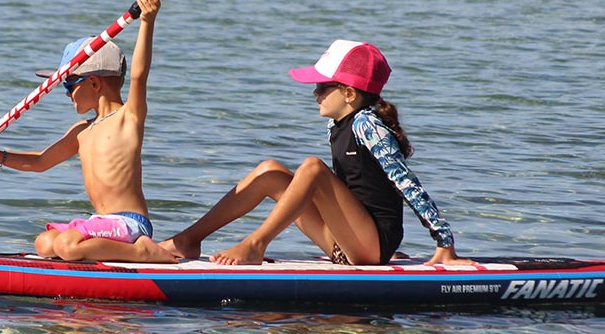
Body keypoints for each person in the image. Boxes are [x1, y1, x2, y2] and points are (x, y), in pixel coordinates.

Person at [159, 39, 472, 267]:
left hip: (372, 246)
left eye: (323, 87)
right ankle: (188, 240)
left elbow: (408, 184)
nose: (315, 93)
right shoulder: (339, 123)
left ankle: (256, 243)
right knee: (270, 171)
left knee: (312, 167)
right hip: (345, 241)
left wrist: (445, 243)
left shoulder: (368, 125)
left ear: (349, 94)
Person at [0, 0, 176, 264]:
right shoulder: (81, 131)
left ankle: (143, 251)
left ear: (95, 83)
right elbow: (40, 161)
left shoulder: (128, 118)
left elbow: (139, 75)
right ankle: (96, 251)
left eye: (69, 85)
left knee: (67, 246)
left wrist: (147, 22)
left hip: (129, 224)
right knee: (45, 243)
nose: (65, 94)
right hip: (102, 223)